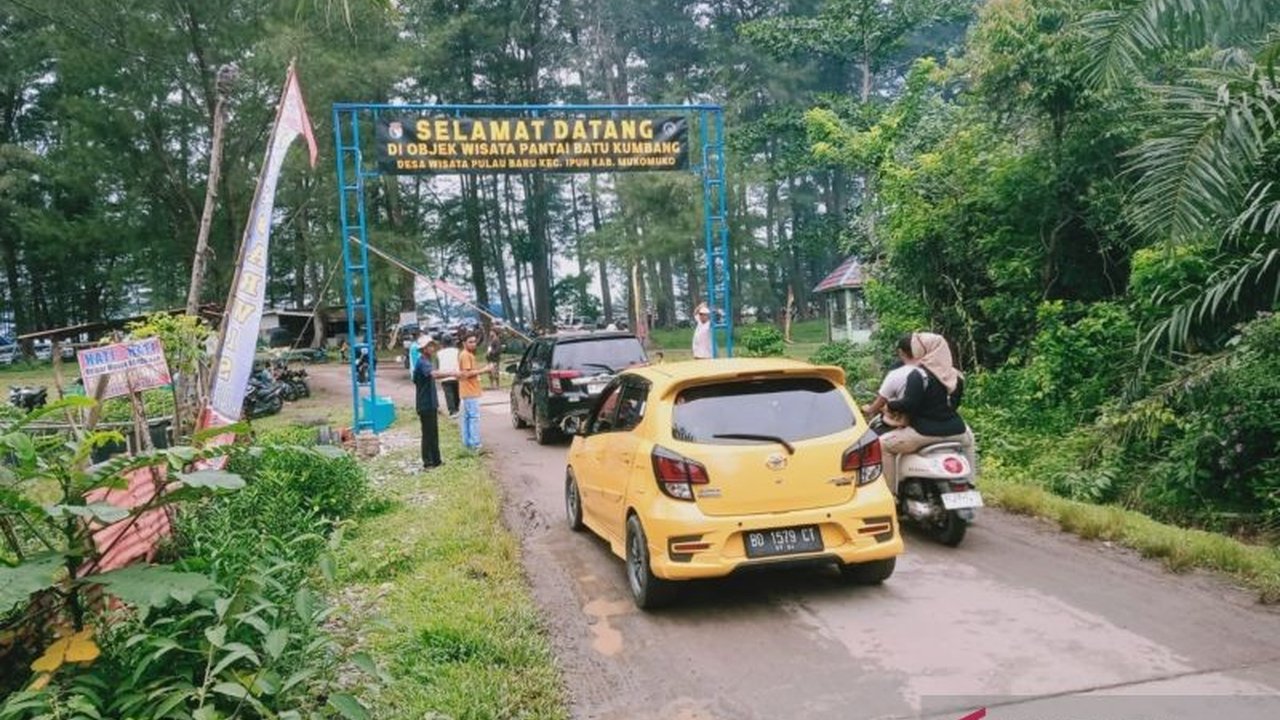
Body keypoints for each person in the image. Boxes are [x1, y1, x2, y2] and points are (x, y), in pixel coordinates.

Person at [879, 332, 978, 492]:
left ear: (924, 351)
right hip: (956, 431)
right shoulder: (956, 375)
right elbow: (954, 405)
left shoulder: (918, 374)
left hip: (924, 433)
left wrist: (891, 406)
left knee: (883, 445)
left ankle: (891, 494)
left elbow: (909, 404)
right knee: (970, 439)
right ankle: (971, 482)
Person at [861, 334, 919, 428]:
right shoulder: (933, 369)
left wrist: (869, 410)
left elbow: (879, 403)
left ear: (900, 352)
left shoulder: (896, 374)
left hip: (910, 425)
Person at [457, 333, 494, 453]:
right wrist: (485, 370)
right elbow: (467, 374)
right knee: (473, 418)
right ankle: (475, 444)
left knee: (468, 418)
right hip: (469, 391)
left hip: (469, 391)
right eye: (470, 342)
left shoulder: (468, 355)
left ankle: (468, 443)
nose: (473, 344)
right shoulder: (465, 355)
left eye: (474, 341)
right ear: (464, 343)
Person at [412, 336, 443, 469]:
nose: (432, 348)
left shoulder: (427, 361)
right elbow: (433, 374)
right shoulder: (423, 362)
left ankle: (436, 460)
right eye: (429, 346)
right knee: (428, 433)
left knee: (433, 432)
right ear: (423, 349)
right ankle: (428, 462)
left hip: (430, 402)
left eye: (432, 345)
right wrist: (456, 373)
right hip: (425, 403)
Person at [436, 337, 461, 417]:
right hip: (455, 375)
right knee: (457, 393)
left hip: (444, 375)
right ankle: (456, 408)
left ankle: (452, 411)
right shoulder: (456, 351)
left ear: (442, 343)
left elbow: (437, 365)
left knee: (448, 394)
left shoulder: (439, 353)